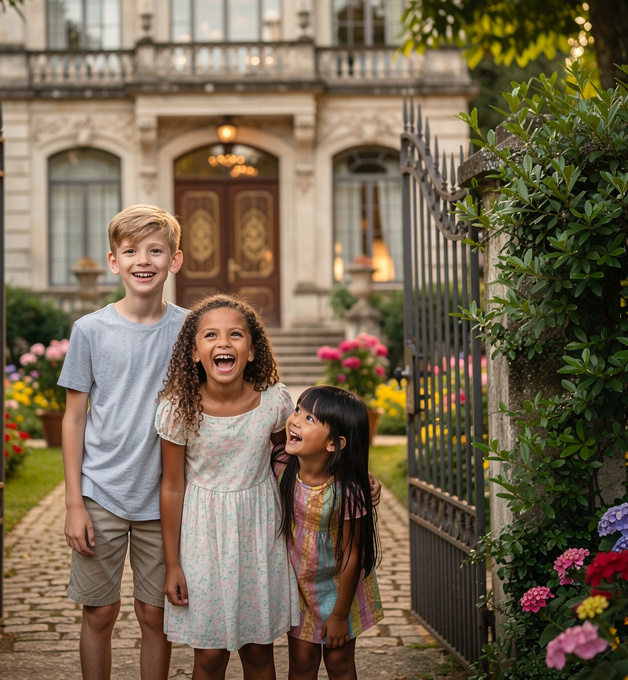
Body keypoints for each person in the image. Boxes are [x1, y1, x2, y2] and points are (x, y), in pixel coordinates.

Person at [58, 204, 186, 680]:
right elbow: (74, 419)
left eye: (155, 250)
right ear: (114, 261)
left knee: (156, 615)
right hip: (102, 494)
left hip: (164, 498)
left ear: (174, 260)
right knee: (100, 612)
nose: (143, 260)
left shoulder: (191, 329)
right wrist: (75, 503)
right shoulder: (90, 330)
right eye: (130, 251)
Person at [157, 294, 299, 680]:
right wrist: (172, 564)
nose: (223, 343)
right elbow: (171, 486)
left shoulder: (274, 403)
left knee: (258, 651)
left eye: (235, 335)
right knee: (209, 656)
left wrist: (354, 478)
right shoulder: (177, 409)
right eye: (211, 336)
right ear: (193, 352)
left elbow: (293, 459)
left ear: (251, 352)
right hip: (204, 538)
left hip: (259, 534)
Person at [274, 385, 384, 680]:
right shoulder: (281, 465)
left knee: (339, 663)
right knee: (301, 663)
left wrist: (339, 614)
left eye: (310, 419)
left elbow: (352, 554)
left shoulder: (346, 491)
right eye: (298, 410)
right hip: (299, 586)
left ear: (334, 444)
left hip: (339, 589)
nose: (295, 420)